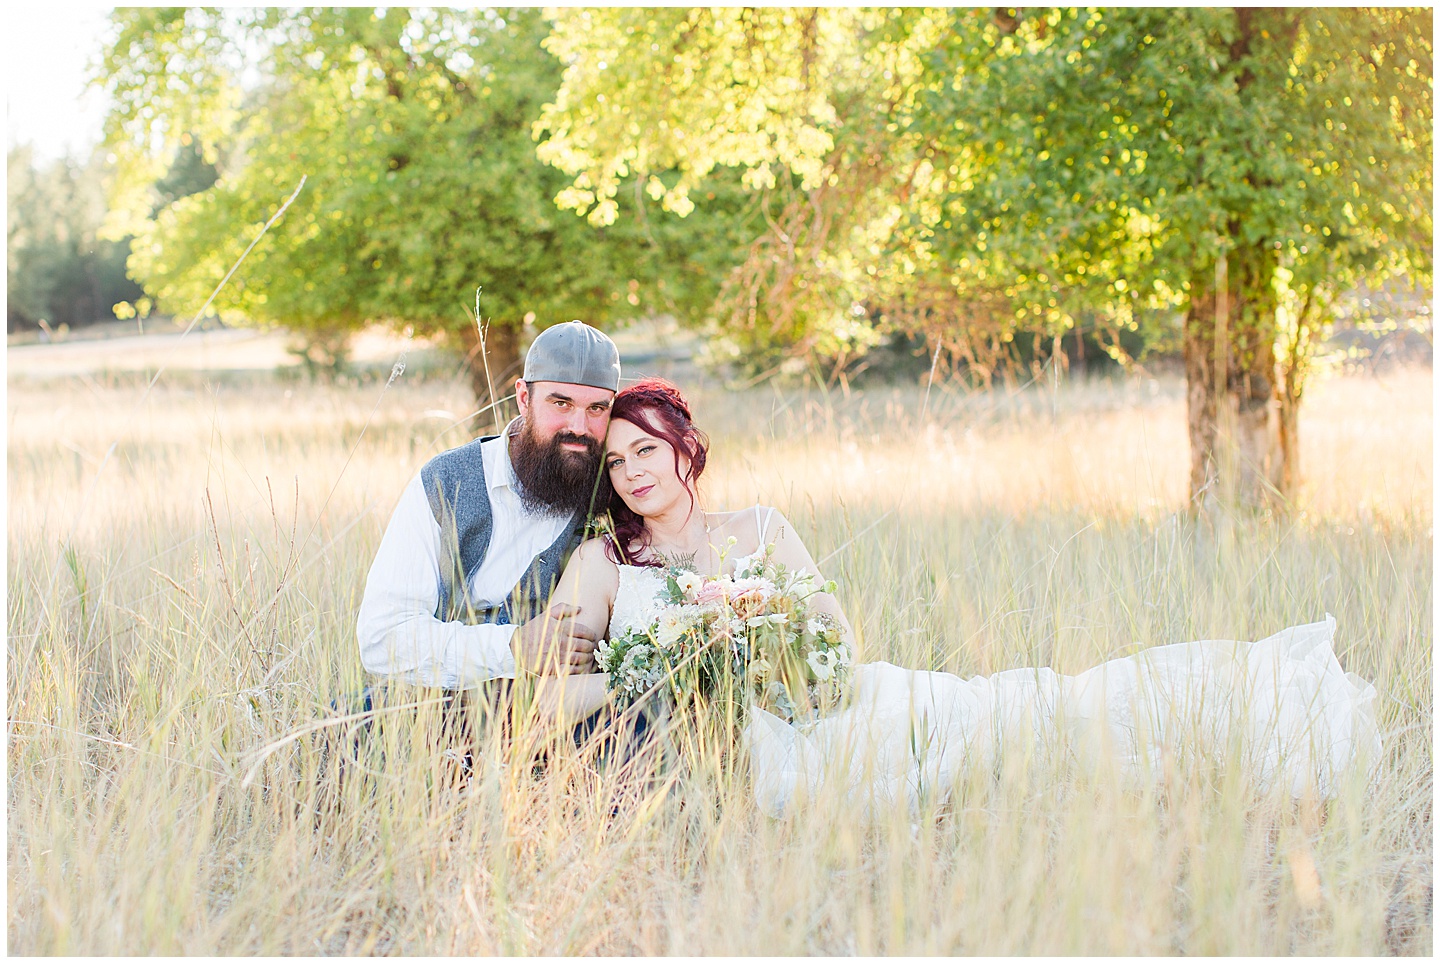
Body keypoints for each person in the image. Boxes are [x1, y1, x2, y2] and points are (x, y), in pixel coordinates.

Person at [534, 377, 1384, 814]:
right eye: (614, 462)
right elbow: (550, 699)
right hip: (743, 751)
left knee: (1029, 719)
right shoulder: (605, 563)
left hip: (834, 705)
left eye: (645, 450)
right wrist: (676, 669)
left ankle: (1233, 734)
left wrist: (768, 653)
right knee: (981, 777)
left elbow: (840, 644)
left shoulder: (762, 528)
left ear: (687, 449)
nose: (632, 473)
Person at [354, 320, 621, 749]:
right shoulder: (445, 482)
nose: (579, 426)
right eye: (561, 402)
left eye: (597, 409)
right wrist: (514, 646)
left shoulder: (615, 486)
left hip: (556, 718)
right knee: (342, 736)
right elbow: (382, 638)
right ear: (523, 398)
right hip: (432, 710)